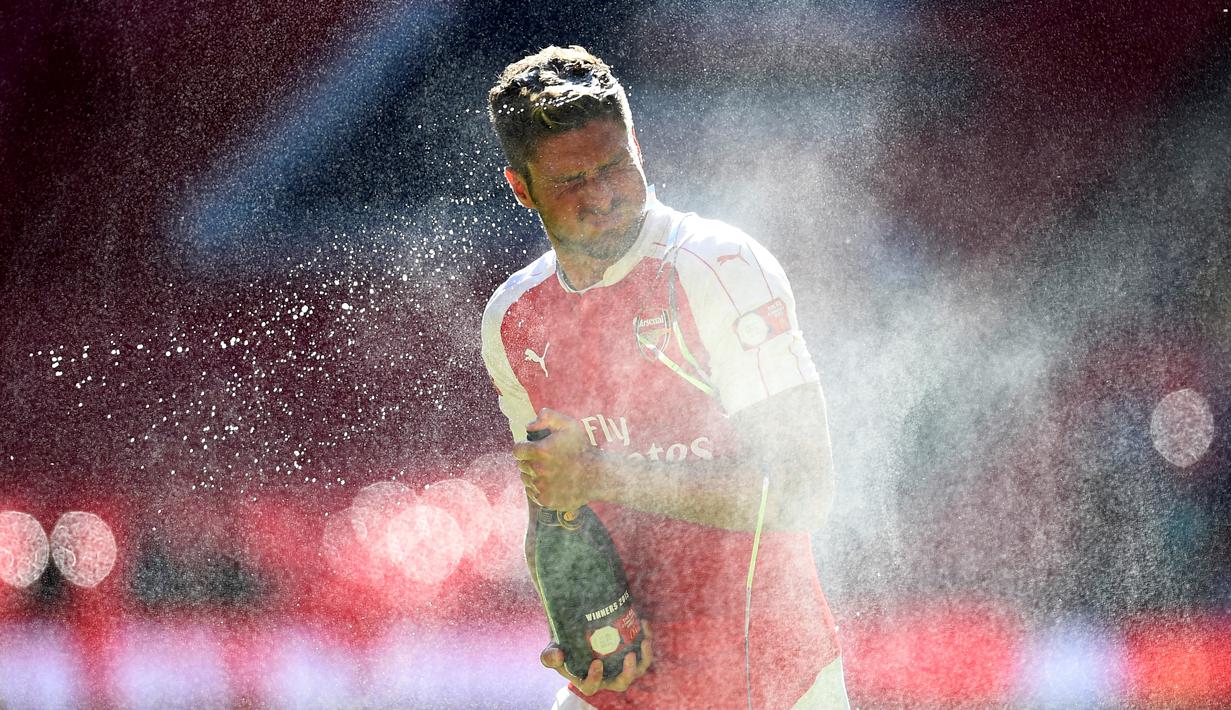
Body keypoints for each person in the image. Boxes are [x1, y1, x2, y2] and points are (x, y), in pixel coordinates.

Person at [481, 45, 849, 709]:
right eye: (571, 181)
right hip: (628, 684)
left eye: (614, 165)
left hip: (764, 679)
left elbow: (803, 491)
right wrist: (576, 628)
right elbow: (553, 509)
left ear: (638, 148)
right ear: (521, 188)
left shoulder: (719, 268)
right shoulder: (514, 319)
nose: (602, 196)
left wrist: (602, 474)